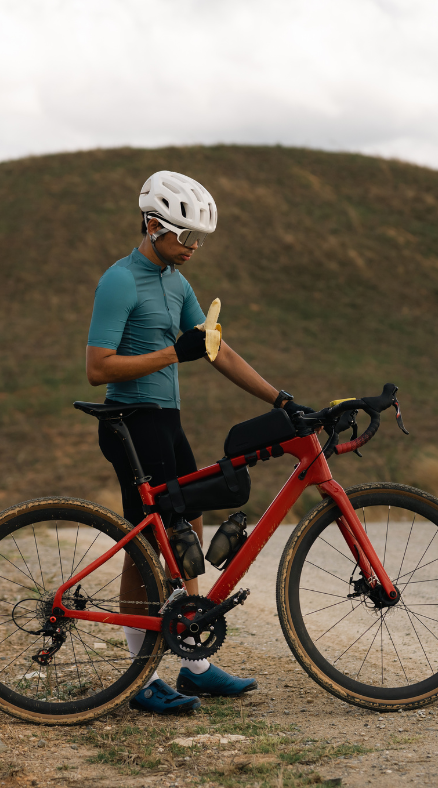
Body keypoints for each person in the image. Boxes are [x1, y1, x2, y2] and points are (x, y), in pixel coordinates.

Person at [85, 170, 312, 714]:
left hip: (168, 420)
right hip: (130, 421)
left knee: (186, 532)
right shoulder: (120, 280)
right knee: (149, 546)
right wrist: (172, 354)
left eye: (198, 240)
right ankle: (138, 680)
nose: (191, 248)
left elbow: (216, 350)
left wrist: (280, 399)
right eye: (183, 237)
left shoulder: (176, 283)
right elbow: (97, 368)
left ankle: (193, 666)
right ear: (151, 223)